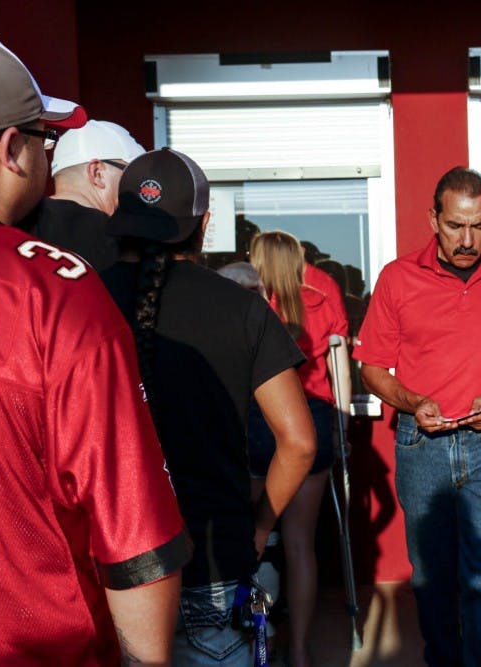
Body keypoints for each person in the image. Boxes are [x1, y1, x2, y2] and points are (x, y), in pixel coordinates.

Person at [0, 27, 191, 665]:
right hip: (33, 642)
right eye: (45, 137)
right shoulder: (51, 289)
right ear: (11, 148)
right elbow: (134, 534)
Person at [101, 148, 317, 666]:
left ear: (121, 218)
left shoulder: (81, 298)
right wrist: (260, 527)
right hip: (214, 560)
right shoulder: (241, 307)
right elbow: (301, 441)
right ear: (203, 226)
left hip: (109, 567)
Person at [353, 166, 481, 667]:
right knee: (432, 580)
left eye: (480, 226)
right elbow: (372, 368)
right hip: (422, 446)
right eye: (456, 225)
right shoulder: (399, 277)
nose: (468, 240)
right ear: (433, 218)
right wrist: (412, 401)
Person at [250, 230, 351, 667]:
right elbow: (340, 362)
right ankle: (301, 649)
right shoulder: (324, 287)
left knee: (254, 538)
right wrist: (341, 423)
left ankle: (260, 640)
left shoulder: (247, 291)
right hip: (311, 418)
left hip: (258, 416)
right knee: (299, 543)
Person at [20, 119, 145, 271]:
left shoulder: (17, 221)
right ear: (97, 173)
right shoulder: (114, 236)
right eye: (132, 174)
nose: (140, 186)